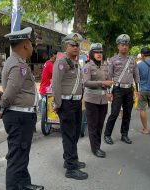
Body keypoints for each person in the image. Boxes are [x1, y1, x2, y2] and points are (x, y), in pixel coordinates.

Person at [0, 27, 44, 190]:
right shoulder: (19, 65)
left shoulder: (16, 62)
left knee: (21, 155)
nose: (33, 46)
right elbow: (9, 95)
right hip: (19, 118)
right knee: (17, 157)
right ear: (25, 45)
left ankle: (24, 185)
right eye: (31, 43)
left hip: (20, 116)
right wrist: (1, 107)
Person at [52, 32, 88, 180]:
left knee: (74, 133)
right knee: (68, 135)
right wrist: (58, 104)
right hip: (66, 103)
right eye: (72, 45)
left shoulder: (76, 63)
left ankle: (71, 160)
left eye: (77, 45)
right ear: (66, 47)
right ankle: (71, 168)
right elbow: (56, 85)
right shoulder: (61, 63)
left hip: (76, 103)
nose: (75, 47)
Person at [104, 34, 140, 145]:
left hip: (129, 90)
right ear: (118, 46)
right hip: (117, 89)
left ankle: (124, 134)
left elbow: (136, 76)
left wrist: (137, 90)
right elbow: (109, 77)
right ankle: (107, 134)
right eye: (122, 45)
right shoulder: (113, 60)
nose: (124, 47)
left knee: (128, 114)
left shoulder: (132, 60)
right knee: (114, 113)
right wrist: (109, 92)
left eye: (126, 45)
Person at [83, 43, 113, 158]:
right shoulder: (87, 66)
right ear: (92, 53)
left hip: (103, 100)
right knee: (93, 125)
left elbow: (108, 81)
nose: (99, 54)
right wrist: (102, 83)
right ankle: (95, 148)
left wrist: (109, 88)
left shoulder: (105, 66)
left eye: (100, 52)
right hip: (91, 101)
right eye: (96, 52)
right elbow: (86, 83)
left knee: (100, 125)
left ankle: (98, 146)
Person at [39, 49, 57, 134]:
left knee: (46, 107)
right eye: (55, 57)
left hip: (44, 88)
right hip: (46, 89)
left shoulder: (47, 63)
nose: (56, 58)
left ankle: (48, 125)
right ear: (52, 56)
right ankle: (48, 124)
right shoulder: (50, 64)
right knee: (49, 107)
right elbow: (57, 74)